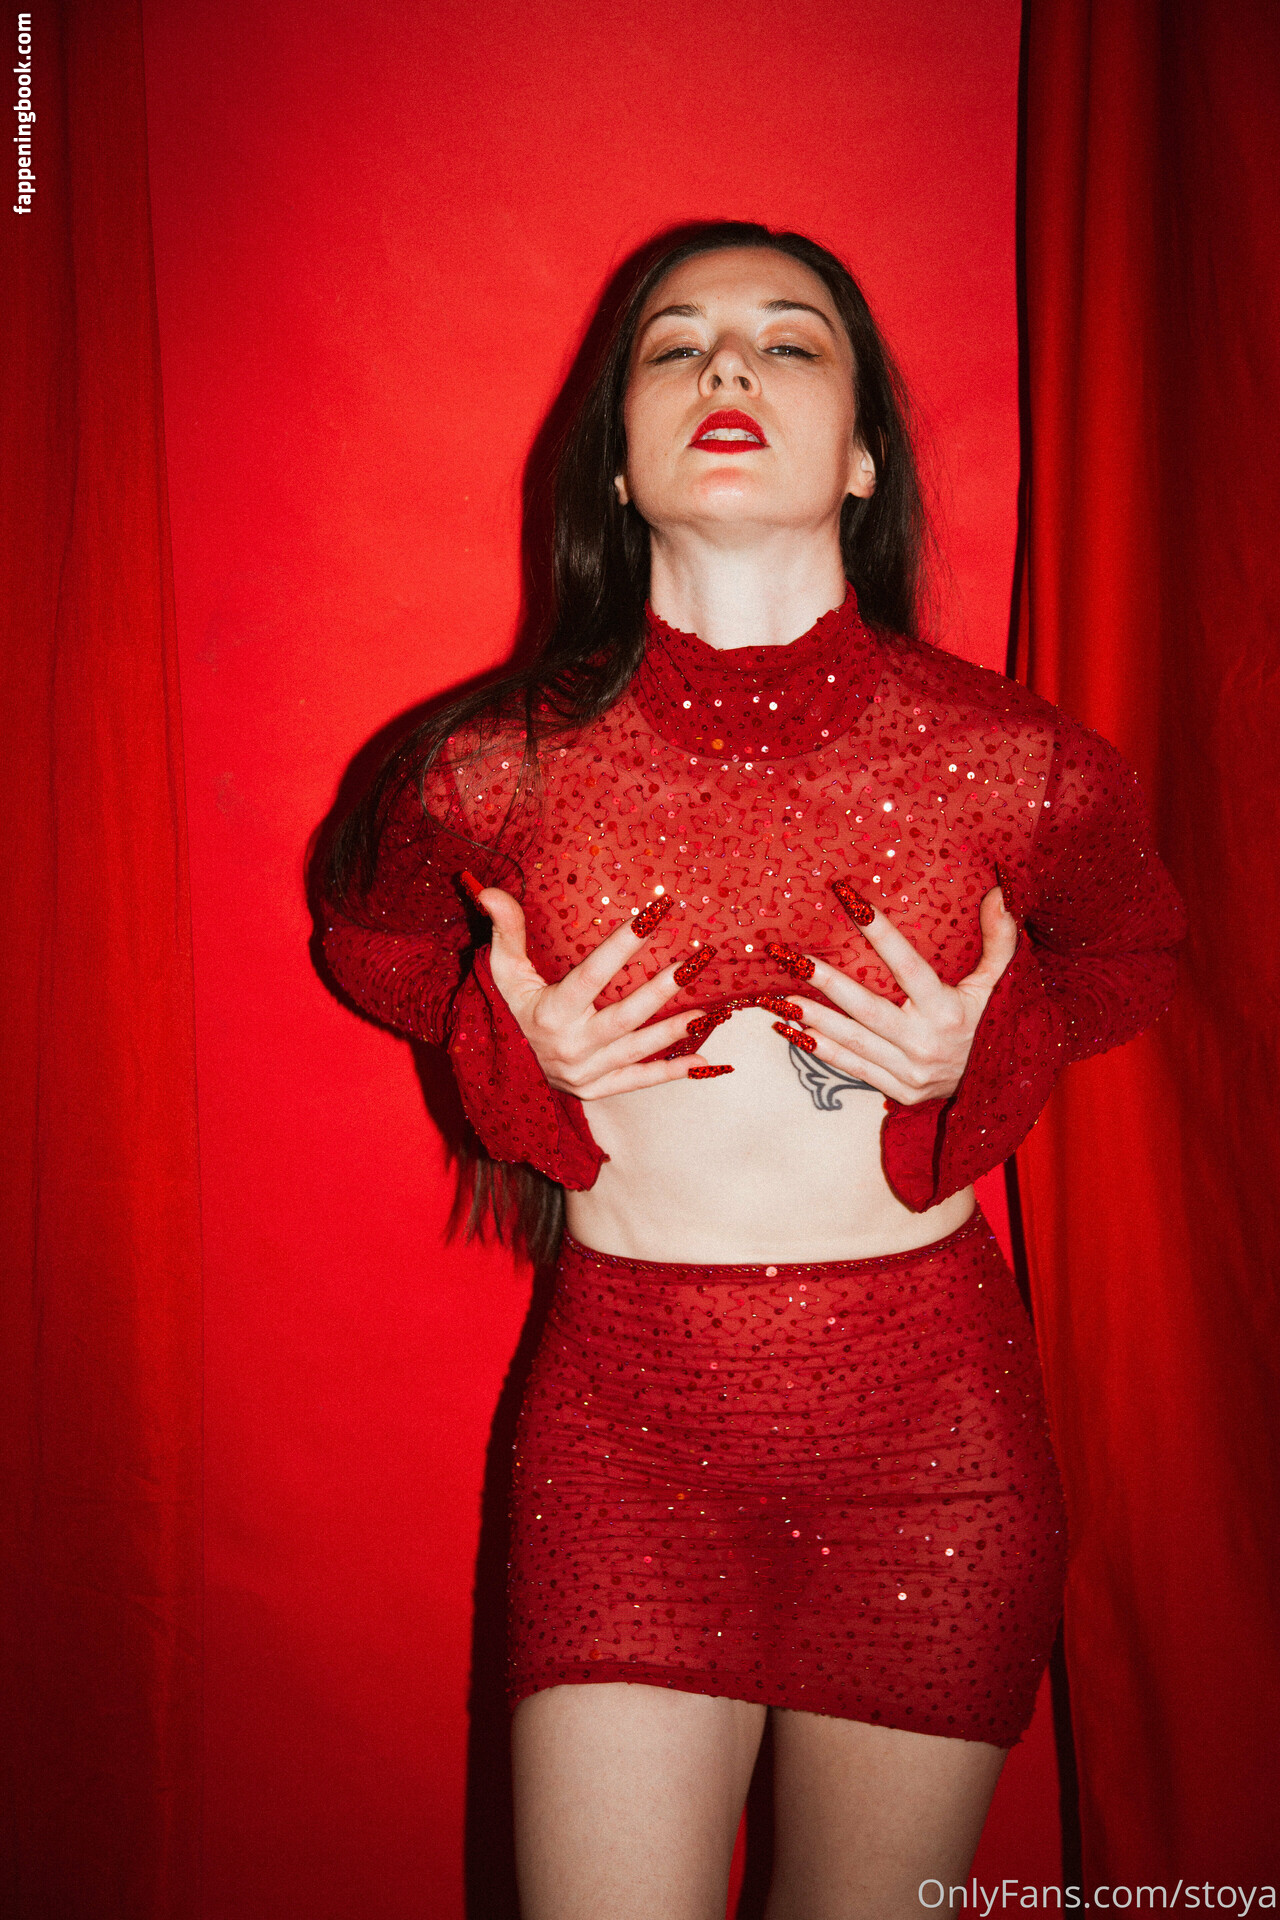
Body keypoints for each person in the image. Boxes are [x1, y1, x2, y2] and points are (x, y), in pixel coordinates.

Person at [319, 222, 1185, 1920]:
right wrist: (507, 1035)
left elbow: (1134, 956)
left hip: (935, 1455)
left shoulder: (1022, 764)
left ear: (863, 458)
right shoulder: (487, 768)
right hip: (621, 1448)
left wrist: (992, 1038)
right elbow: (370, 939)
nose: (729, 363)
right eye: (675, 344)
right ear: (616, 465)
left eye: (792, 341)